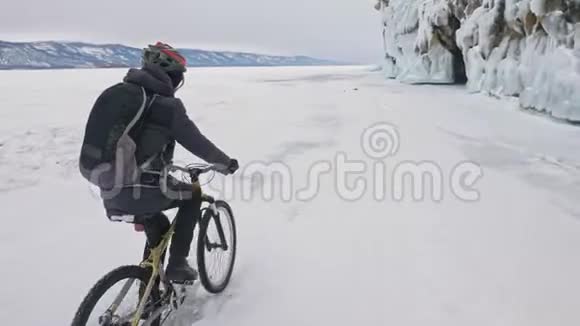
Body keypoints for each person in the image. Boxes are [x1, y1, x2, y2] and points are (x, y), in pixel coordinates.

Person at [80, 42, 238, 282]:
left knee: (160, 223)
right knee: (193, 194)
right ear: (172, 76)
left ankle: (150, 281)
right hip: (141, 189)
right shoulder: (166, 106)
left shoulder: (124, 95)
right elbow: (196, 142)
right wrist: (225, 163)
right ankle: (176, 266)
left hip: (110, 191)